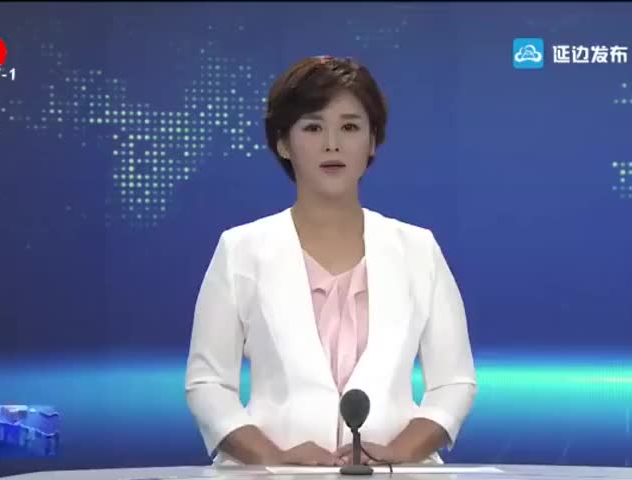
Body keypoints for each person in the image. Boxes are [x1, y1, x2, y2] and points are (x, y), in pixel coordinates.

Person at [184, 56, 477, 466]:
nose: (332, 144)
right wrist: (273, 458)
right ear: (283, 143)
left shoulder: (417, 249)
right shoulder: (242, 249)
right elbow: (208, 383)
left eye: (350, 127)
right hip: (268, 475)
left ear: (372, 141)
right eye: (313, 127)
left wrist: (399, 452)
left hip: (395, 473)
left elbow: (454, 383)